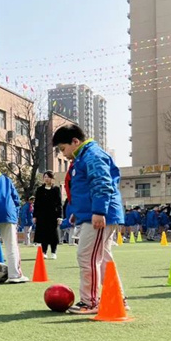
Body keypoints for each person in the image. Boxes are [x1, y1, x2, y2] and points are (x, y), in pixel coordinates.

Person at [52, 124, 125, 315]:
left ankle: (90, 302)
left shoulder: (92, 155)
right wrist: (76, 212)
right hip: (95, 212)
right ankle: (116, 297)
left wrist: (99, 211)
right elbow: (82, 189)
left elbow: (101, 183)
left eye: (63, 149)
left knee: (87, 257)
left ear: (75, 142)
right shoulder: (83, 157)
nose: (64, 154)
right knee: (103, 258)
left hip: (100, 214)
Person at [33, 171, 63, 259]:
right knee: (43, 234)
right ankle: (44, 252)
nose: (46, 179)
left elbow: (59, 204)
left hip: (53, 215)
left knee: (53, 234)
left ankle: (53, 252)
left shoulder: (56, 189)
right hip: (42, 215)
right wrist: (35, 216)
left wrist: (60, 216)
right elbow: (36, 204)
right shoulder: (39, 190)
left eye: (48, 177)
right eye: (45, 177)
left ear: (52, 178)